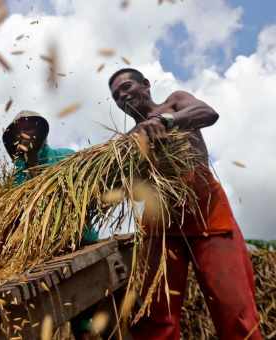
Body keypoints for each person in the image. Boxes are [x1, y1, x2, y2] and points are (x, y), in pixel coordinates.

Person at [108, 68, 262, 340]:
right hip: (161, 225)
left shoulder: (175, 103)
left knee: (235, 309)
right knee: (156, 317)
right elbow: (132, 192)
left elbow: (208, 113)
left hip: (206, 213)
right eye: (116, 96)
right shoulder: (127, 141)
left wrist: (166, 121)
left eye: (126, 86)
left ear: (145, 85)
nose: (122, 96)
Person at [2, 110, 98, 339]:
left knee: (96, 315)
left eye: (31, 127)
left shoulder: (65, 157)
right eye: (20, 130)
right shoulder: (16, 179)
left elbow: (91, 194)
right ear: (14, 140)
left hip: (82, 243)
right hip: (46, 256)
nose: (26, 133)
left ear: (42, 132)